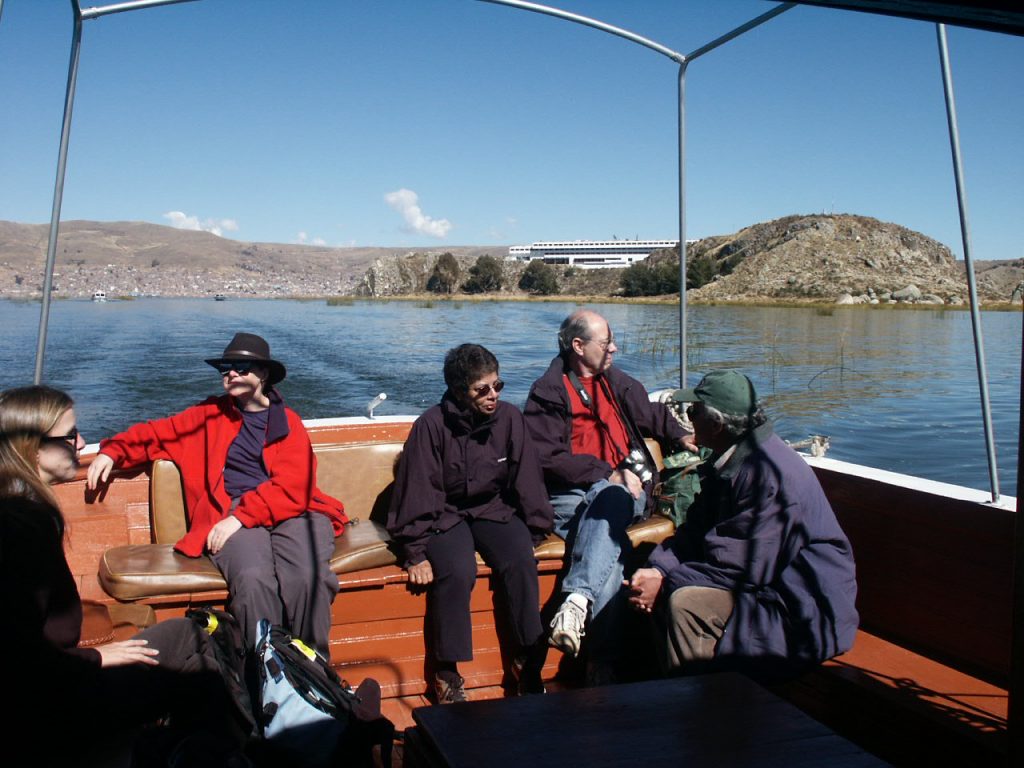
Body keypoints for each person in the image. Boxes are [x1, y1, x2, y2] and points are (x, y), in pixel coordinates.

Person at [0, 385, 237, 764]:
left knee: (194, 655)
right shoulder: (23, 528)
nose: (82, 443)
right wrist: (95, 657)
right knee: (195, 639)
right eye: (70, 436)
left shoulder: (17, 510)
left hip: (52, 691)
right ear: (33, 449)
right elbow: (19, 659)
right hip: (53, 709)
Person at [87, 332, 347, 655]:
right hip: (230, 509)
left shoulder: (289, 422)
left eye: (241, 367)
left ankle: (312, 666)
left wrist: (242, 518)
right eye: (226, 368)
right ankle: (267, 668)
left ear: (263, 375)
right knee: (252, 578)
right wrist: (113, 451)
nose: (231, 373)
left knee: (307, 577)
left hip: (292, 509)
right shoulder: (208, 416)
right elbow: (156, 434)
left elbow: (295, 485)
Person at [625, 370, 859, 677]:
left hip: (803, 607)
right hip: (766, 586)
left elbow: (742, 569)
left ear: (717, 425)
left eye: (694, 412)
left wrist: (666, 582)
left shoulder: (769, 476)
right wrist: (658, 570)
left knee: (687, 603)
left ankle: (708, 699)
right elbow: (695, 529)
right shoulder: (730, 460)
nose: (688, 419)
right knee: (645, 569)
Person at [523, 309, 692, 682]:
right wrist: (604, 472)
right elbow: (546, 457)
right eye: (606, 342)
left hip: (625, 491)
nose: (614, 348)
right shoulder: (548, 392)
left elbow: (650, 413)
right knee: (611, 551)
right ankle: (601, 666)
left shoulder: (617, 382)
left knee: (613, 497)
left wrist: (682, 434)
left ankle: (577, 601)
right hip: (571, 495)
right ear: (578, 346)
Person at [387, 344, 553, 703]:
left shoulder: (509, 419)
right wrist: (415, 552)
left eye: (497, 385)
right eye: (483, 389)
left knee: (520, 559)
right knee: (458, 570)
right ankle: (447, 672)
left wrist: (536, 529)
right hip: (444, 512)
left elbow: (526, 477)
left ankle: (527, 658)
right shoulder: (431, 426)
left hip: (491, 508)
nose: (493, 395)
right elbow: (418, 490)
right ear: (460, 391)